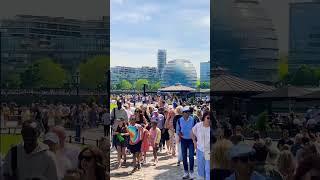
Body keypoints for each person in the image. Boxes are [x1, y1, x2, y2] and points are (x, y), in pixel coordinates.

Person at [176, 106, 197, 179]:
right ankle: (185, 172)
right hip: (183, 140)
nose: (188, 114)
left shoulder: (193, 120)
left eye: (189, 112)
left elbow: (196, 130)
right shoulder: (179, 120)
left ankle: (191, 172)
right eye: (187, 112)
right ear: (183, 113)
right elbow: (177, 130)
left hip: (191, 140)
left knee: (191, 156)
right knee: (184, 157)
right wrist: (179, 134)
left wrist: (195, 140)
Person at [191, 112, 210, 180]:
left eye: (210, 118)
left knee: (208, 169)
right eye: (208, 118)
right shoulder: (198, 125)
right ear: (204, 118)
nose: (209, 119)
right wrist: (194, 142)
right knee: (201, 168)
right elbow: (192, 133)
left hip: (209, 151)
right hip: (200, 149)